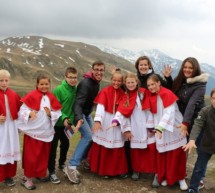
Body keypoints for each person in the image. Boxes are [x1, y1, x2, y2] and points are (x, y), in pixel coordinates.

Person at [17, 74, 62, 190]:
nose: (44, 86)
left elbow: (58, 113)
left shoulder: (51, 97)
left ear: (49, 84)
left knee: (42, 156)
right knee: (31, 157)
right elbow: (21, 111)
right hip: (33, 133)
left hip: (45, 132)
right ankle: (27, 178)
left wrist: (50, 114)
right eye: (41, 84)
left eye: (46, 84)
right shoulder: (31, 95)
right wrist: (29, 113)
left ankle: (38, 173)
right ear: (37, 84)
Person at [171, 57, 209, 189]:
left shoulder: (200, 85)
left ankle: (200, 179)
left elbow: (191, 104)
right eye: (185, 67)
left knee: (200, 150)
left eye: (190, 68)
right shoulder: (182, 80)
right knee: (183, 149)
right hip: (184, 121)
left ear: (195, 69)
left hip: (198, 122)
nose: (187, 70)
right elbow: (172, 92)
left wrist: (185, 123)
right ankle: (181, 174)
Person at [111, 73, 157, 182]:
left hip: (147, 124)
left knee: (151, 149)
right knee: (136, 151)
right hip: (135, 125)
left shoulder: (143, 93)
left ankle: (156, 173)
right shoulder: (125, 96)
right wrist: (117, 121)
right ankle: (137, 169)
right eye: (128, 82)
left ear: (136, 82)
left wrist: (151, 126)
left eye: (132, 82)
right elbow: (122, 112)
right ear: (125, 84)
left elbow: (150, 108)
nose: (130, 84)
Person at [65, 60, 105, 184]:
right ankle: (71, 166)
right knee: (88, 136)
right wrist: (79, 118)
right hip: (80, 113)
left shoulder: (96, 82)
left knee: (94, 136)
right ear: (92, 70)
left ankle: (81, 159)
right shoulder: (86, 83)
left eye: (101, 70)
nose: (99, 72)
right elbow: (78, 103)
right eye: (96, 70)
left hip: (86, 113)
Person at [147, 74, 188, 190]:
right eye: (149, 85)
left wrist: (160, 127)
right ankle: (166, 177)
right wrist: (151, 128)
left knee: (177, 155)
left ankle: (181, 178)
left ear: (159, 83)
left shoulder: (167, 94)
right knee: (164, 154)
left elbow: (169, 113)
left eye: (153, 84)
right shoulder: (152, 96)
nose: (150, 87)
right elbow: (151, 113)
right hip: (160, 129)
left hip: (174, 128)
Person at [88, 69, 128, 178]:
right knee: (104, 145)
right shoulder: (105, 91)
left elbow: (123, 109)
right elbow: (100, 107)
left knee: (116, 145)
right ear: (111, 80)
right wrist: (98, 121)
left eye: (119, 81)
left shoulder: (123, 94)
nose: (116, 83)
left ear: (122, 82)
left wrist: (119, 121)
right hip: (105, 121)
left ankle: (116, 170)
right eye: (114, 80)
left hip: (116, 121)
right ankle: (104, 170)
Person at [48, 67, 78, 184]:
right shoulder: (59, 90)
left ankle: (61, 164)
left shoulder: (76, 89)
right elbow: (55, 107)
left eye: (75, 77)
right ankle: (51, 171)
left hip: (67, 124)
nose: (73, 80)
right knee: (53, 147)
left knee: (65, 145)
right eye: (70, 77)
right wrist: (64, 117)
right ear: (65, 77)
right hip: (56, 123)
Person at [183, 88, 215, 193]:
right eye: (214, 98)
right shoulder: (205, 111)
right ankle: (193, 187)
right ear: (211, 99)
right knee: (199, 167)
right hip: (207, 143)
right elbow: (197, 125)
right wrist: (192, 140)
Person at [0, 69, 22, 187]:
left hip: (11, 128)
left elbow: (21, 110)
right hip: (1, 129)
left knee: (10, 150)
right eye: (1, 80)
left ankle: (8, 176)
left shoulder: (13, 94)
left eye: (6, 80)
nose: (4, 83)